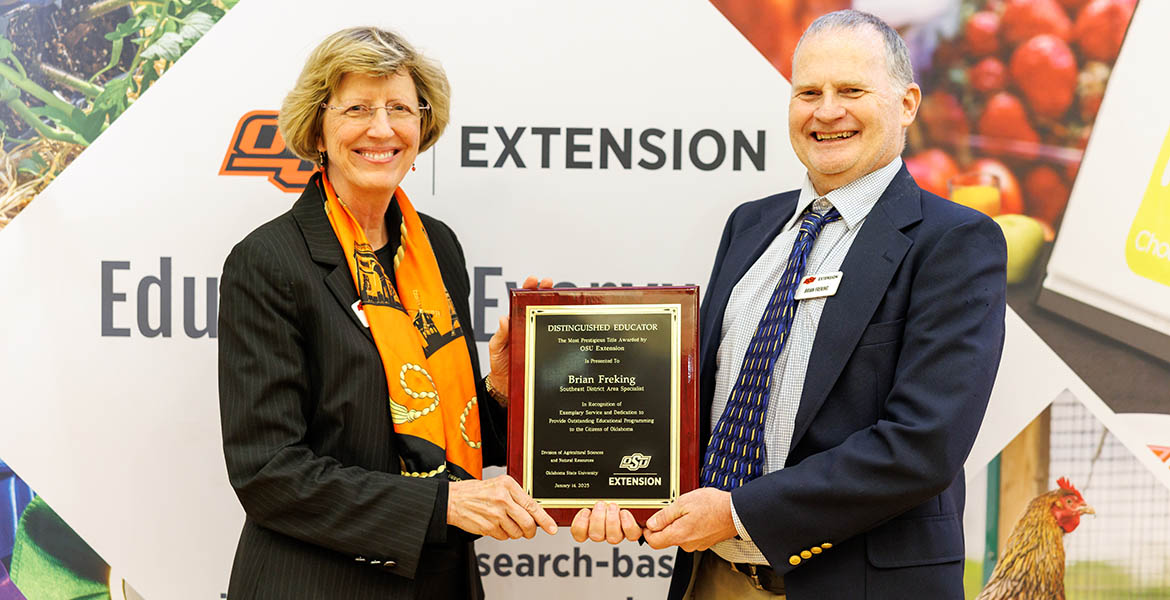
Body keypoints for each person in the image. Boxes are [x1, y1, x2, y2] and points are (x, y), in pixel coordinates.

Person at [572, 10, 1006, 599]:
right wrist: (621, 482)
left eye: (852, 90)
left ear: (906, 103)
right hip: (713, 578)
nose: (827, 111)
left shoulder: (953, 242)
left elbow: (922, 445)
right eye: (809, 92)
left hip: (853, 585)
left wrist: (742, 513)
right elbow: (695, 395)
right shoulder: (749, 226)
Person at [218, 27, 556, 600]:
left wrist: (498, 392)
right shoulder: (270, 261)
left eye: (400, 107)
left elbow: (436, 432)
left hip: (441, 580)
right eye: (358, 108)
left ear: (423, 127)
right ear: (318, 129)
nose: (382, 128)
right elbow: (268, 471)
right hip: (320, 584)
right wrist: (442, 502)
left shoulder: (437, 249)